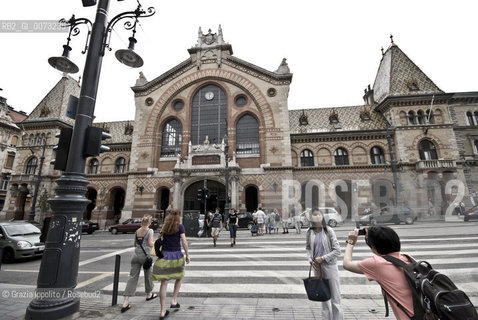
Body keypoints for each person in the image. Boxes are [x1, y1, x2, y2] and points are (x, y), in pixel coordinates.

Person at [343, 226, 413, 320]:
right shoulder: (408, 258)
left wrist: (351, 242)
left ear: (374, 247)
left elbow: (347, 264)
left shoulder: (377, 263)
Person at [305, 208, 343, 320]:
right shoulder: (309, 232)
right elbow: (308, 248)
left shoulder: (328, 230)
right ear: (311, 218)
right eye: (314, 215)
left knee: (335, 299)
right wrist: (310, 260)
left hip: (330, 266)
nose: (317, 216)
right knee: (324, 298)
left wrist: (323, 258)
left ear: (322, 217)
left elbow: (337, 250)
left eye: (319, 214)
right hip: (317, 267)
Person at [152, 209, 190, 320]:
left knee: (164, 283)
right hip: (177, 256)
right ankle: (174, 300)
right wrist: (187, 254)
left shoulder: (165, 227)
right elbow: (184, 241)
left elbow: (158, 240)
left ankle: (162, 311)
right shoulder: (180, 226)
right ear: (178, 216)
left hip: (164, 256)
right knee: (179, 277)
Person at [120, 215, 157, 313]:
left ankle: (125, 302)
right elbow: (149, 243)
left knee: (132, 277)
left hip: (135, 255)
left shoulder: (137, 231)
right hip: (145, 256)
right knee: (148, 275)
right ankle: (149, 295)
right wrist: (155, 243)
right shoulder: (150, 231)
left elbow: (134, 244)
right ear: (149, 223)